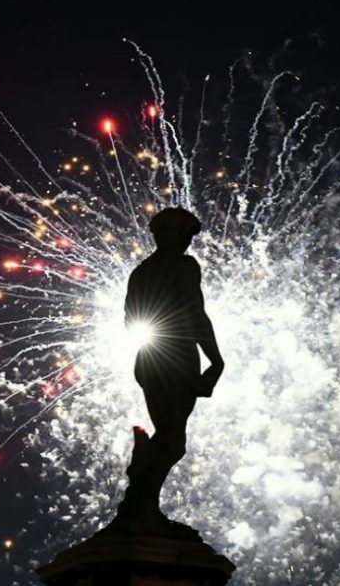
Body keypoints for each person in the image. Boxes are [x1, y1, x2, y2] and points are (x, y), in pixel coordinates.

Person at [114, 207, 224, 536]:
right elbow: (195, 313)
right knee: (173, 440)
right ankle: (140, 503)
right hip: (176, 356)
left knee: (167, 433)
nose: (189, 243)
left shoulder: (141, 272)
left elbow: (131, 321)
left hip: (148, 359)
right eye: (187, 235)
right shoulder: (184, 266)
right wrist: (216, 360)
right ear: (171, 233)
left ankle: (139, 494)